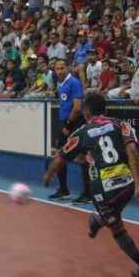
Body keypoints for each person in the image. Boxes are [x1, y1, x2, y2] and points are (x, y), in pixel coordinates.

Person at [43, 94, 139, 277]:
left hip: (103, 189)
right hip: (127, 184)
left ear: (86, 114)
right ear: (105, 110)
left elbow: (61, 158)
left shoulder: (82, 132)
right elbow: (133, 151)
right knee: (113, 213)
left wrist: (49, 174)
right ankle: (99, 220)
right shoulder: (121, 124)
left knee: (116, 226)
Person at [48, 59, 92, 205]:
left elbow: (77, 107)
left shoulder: (74, 82)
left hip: (74, 124)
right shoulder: (62, 84)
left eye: (62, 68)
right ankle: (63, 190)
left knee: (81, 158)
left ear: (67, 68)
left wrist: (68, 124)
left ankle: (88, 193)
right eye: (57, 69)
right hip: (65, 124)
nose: (59, 71)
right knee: (60, 155)